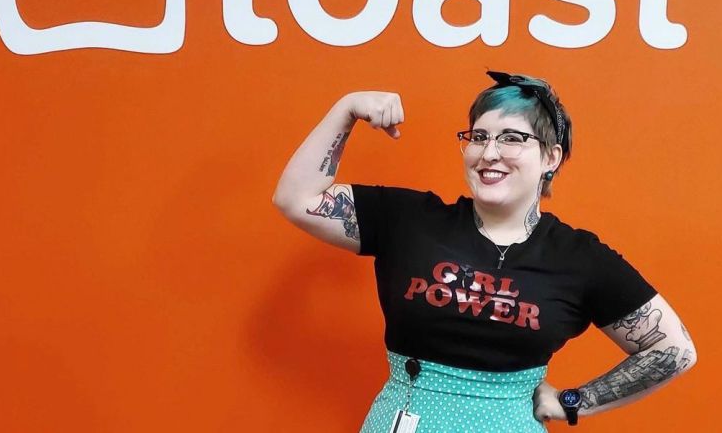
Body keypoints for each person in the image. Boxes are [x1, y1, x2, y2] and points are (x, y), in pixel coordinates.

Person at [272, 71, 696, 432]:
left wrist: (574, 402)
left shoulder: (579, 258)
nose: (489, 153)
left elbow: (673, 350)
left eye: (511, 138)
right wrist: (346, 108)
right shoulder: (409, 220)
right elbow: (297, 198)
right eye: (478, 137)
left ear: (551, 156)